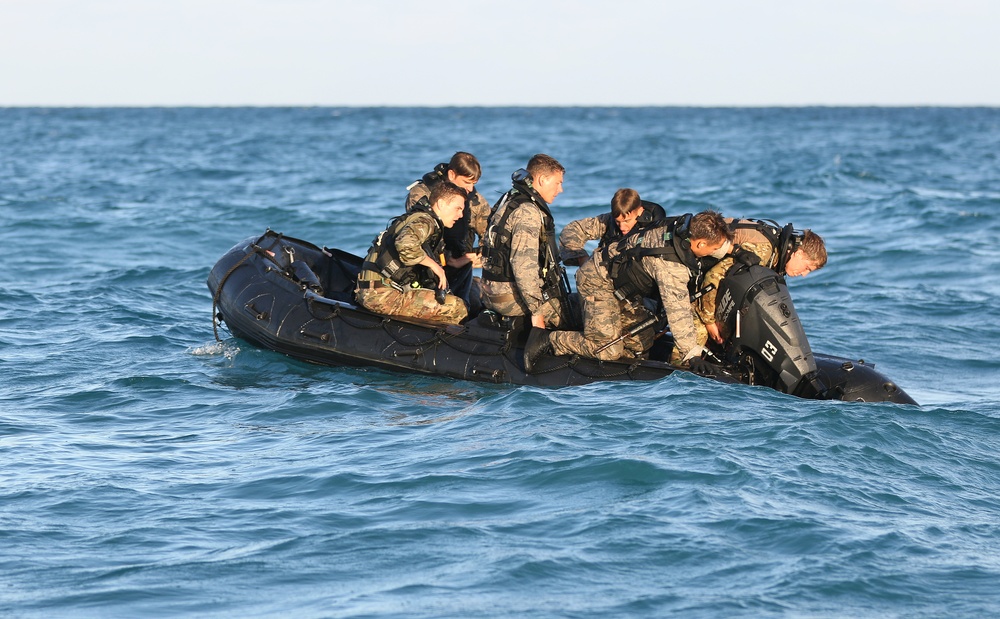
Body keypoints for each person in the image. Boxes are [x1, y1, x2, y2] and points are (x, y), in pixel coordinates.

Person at [525, 210, 734, 372]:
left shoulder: (680, 226)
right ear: (700, 242)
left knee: (641, 340)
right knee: (608, 350)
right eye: (713, 249)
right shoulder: (671, 266)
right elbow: (677, 310)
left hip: (621, 289)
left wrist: (737, 252)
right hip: (597, 283)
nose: (715, 253)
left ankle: (588, 322)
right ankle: (548, 340)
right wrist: (692, 354)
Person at [696, 219, 828, 345]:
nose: (804, 274)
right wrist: (709, 322)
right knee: (696, 341)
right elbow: (712, 277)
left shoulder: (776, 255)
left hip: (704, 277)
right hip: (692, 271)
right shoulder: (763, 252)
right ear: (798, 253)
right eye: (807, 268)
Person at [480, 153, 572, 329]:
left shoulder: (509, 201)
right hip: (509, 299)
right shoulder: (528, 212)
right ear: (543, 179)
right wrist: (537, 313)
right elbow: (523, 265)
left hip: (491, 293)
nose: (560, 190)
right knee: (578, 310)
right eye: (558, 183)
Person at [356, 182, 469, 325]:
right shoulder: (425, 221)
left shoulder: (418, 218)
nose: (460, 215)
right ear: (441, 204)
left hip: (374, 290)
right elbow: (405, 246)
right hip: (381, 295)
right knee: (457, 308)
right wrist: (435, 267)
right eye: (458, 208)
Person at [405, 152, 491, 308]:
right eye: (466, 182)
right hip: (426, 268)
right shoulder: (422, 194)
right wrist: (450, 260)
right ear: (452, 174)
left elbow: (491, 233)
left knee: (477, 306)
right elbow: (416, 239)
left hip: (460, 269)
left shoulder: (474, 199)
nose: (470, 188)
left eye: (474, 183)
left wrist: (481, 256)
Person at [559, 188, 668, 266]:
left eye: (627, 221)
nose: (622, 227)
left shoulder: (657, 230)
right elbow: (573, 229)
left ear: (640, 211)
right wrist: (582, 259)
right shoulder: (608, 221)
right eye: (618, 222)